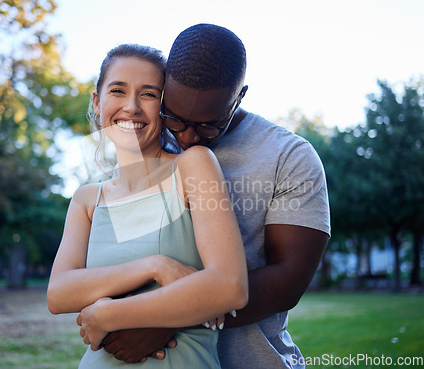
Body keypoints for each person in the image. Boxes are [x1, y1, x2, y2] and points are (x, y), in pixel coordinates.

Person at [86, 24, 331, 368]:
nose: (187, 139)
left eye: (208, 126)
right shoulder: (150, 142)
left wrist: (165, 319)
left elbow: (288, 279)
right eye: (176, 120)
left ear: (239, 96)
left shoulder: (288, 156)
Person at [47, 43, 248, 368]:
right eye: (118, 90)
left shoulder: (192, 166)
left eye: (149, 94)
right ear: (97, 102)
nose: (131, 106)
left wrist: (107, 313)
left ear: (165, 106)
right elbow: (58, 294)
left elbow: (230, 286)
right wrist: (154, 266)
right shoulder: (87, 199)